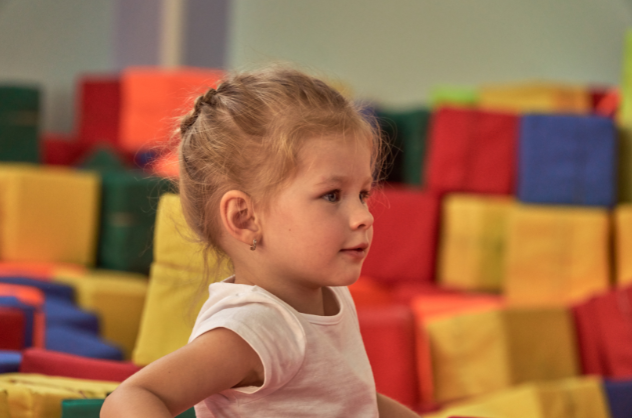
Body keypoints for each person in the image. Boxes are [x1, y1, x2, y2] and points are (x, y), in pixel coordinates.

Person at [101, 66, 420, 418]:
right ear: (245, 218)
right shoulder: (254, 326)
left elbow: (351, 400)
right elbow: (133, 397)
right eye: (332, 196)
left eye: (362, 194)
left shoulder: (329, 295)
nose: (364, 216)